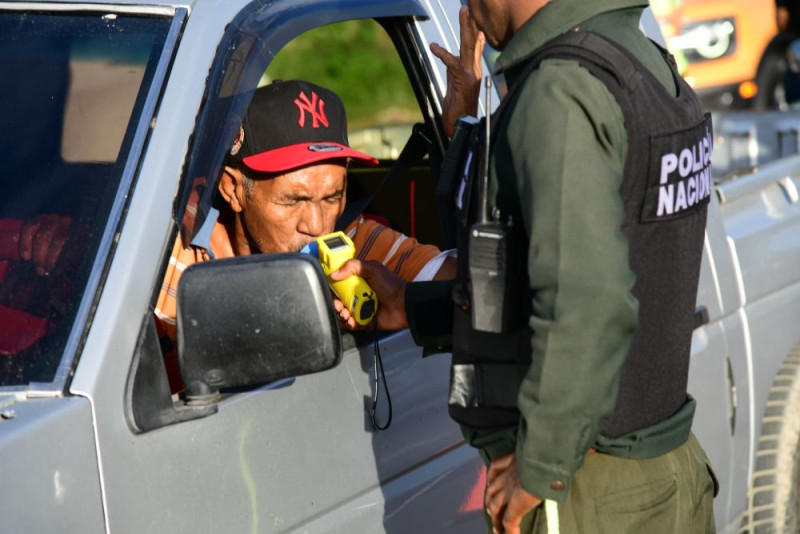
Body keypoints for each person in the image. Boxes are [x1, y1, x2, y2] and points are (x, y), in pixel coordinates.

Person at [335, 2, 718, 533]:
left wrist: (540, 467)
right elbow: (560, 270)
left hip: (589, 489)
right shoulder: (641, 63)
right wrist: (412, 304)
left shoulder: (559, 92)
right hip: (666, 464)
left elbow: (587, 299)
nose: (466, 6)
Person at [154, 79, 455, 390]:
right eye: (293, 200)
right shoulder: (176, 256)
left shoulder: (358, 248)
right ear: (233, 189)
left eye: (332, 197)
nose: (316, 224)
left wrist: (401, 301)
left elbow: (472, 296)